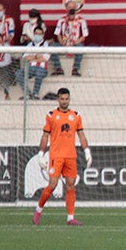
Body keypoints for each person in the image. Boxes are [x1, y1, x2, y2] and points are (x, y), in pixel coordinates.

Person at [31, 87, 92, 227]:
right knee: (52, 184)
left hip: (70, 156)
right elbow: (45, 135)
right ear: (58, 99)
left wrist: (87, 150)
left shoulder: (76, 115)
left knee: (71, 185)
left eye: (67, 99)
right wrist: (41, 154)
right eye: (62, 99)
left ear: (69, 99)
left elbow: (81, 134)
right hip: (56, 156)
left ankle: (70, 218)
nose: (64, 102)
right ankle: (38, 210)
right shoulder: (51, 115)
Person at [16, 25, 50, 99]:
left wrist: (31, 58)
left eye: (40, 34)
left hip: (42, 68)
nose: (38, 35)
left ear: (43, 35)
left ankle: (35, 94)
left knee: (39, 73)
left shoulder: (46, 45)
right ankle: (28, 94)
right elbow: (25, 58)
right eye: (36, 34)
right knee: (18, 73)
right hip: (30, 68)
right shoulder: (30, 45)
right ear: (33, 34)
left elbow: (45, 58)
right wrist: (36, 57)